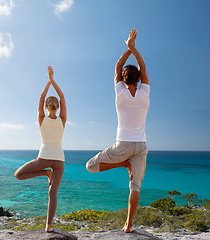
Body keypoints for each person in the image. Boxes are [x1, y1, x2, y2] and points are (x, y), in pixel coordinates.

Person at [86, 28, 150, 233]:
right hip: (140, 146)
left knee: (90, 166)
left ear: (123, 79)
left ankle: (124, 164)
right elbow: (143, 66)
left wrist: (127, 49)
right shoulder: (144, 92)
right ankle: (129, 224)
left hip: (122, 145)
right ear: (139, 79)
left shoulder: (119, 91)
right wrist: (134, 48)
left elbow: (117, 66)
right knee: (135, 187)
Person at [14, 66, 67, 232]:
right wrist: (53, 81)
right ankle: (48, 226)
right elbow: (62, 96)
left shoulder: (41, 118)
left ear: (46, 107)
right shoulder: (63, 119)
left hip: (43, 158)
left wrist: (48, 81)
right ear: (57, 107)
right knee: (53, 194)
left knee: (18, 175)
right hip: (59, 160)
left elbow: (41, 96)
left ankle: (45, 173)